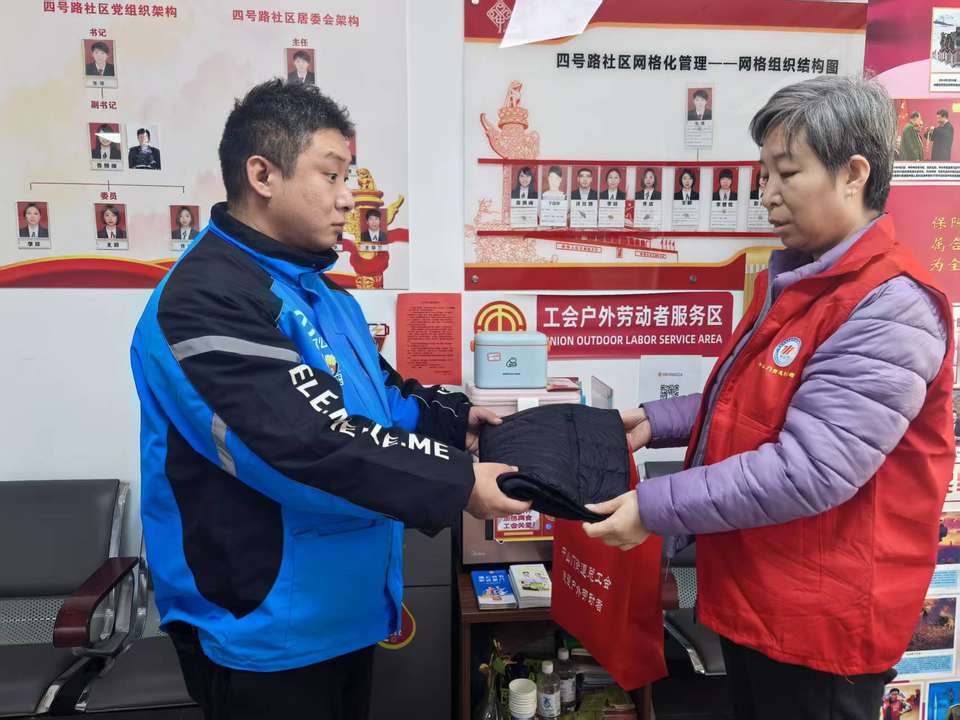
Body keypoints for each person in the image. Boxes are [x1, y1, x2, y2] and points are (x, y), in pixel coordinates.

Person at [129, 80, 529, 720]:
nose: (349, 197)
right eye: (332, 174)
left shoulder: (322, 292)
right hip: (263, 629)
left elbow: (380, 396)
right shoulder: (204, 299)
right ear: (262, 174)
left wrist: (457, 422)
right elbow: (302, 443)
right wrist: (458, 482)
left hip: (344, 610)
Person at [585, 75, 953, 720]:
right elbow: (751, 403)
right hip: (765, 595)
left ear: (853, 174)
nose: (767, 194)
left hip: (824, 623)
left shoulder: (888, 306)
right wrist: (654, 420)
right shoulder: (803, 280)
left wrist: (653, 507)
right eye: (764, 175)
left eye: (787, 172)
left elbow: (811, 468)